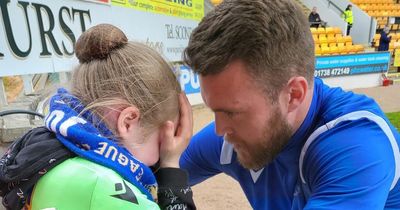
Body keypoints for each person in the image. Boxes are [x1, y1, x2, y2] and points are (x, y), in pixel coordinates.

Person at [180, 0, 400, 209]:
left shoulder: (358, 146)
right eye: (215, 110)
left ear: (294, 94)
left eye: (232, 112)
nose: (220, 130)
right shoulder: (236, 134)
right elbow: (156, 178)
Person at [0, 24, 195, 210]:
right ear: (127, 122)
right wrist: (171, 167)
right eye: (162, 143)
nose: (162, 155)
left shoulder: (46, 149)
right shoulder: (106, 188)